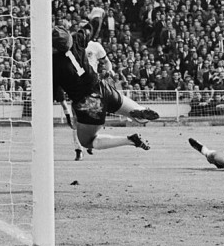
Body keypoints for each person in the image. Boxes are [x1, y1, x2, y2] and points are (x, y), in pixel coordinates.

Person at [53, 22, 159, 160]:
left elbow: (56, 92)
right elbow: (91, 26)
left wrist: (66, 111)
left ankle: (129, 140)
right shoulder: (77, 39)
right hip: (101, 87)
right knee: (139, 117)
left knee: (88, 141)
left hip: (88, 103)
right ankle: (140, 110)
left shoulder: (53, 64)